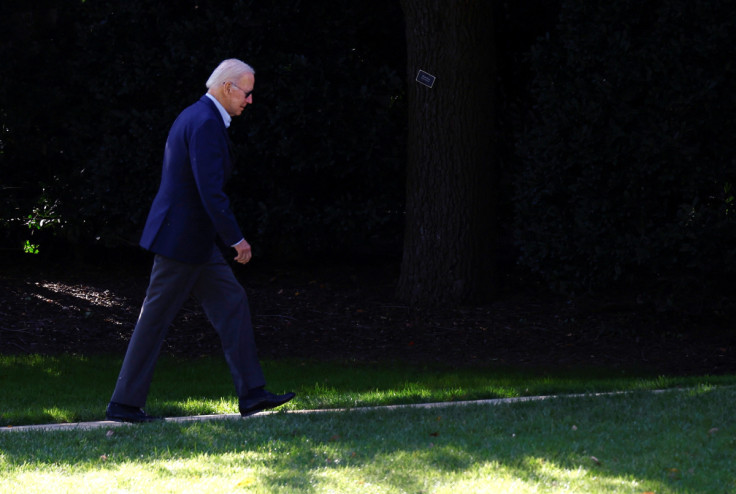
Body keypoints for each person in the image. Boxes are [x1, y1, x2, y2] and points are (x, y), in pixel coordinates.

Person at [105, 59, 295, 423]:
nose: (250, 100)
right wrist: (236, 238)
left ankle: (252, 394)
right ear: (227, 88)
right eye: (247, 92)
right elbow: (210, 191)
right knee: (154, 319)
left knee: (233, 302)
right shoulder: (205, 122)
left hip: (192, 241)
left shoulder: (197, 116)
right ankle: (124, 405)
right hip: (182, 242)